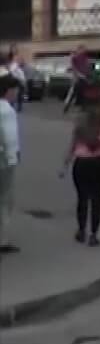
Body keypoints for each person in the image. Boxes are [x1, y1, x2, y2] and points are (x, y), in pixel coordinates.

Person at [61, 104, 100, 246]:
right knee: (97, 200)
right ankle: (94, 235)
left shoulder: (80, 128)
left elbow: (72, 147)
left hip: (81, 163)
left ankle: (81, 230)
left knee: (82, 198)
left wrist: (64, 166)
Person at [0, 73, 21, 255]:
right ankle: (2, 240)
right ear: (9, 91)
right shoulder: (7, 110)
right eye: (15, 90)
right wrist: (13, 158)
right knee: (5, 199)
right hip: (4, 161)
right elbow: (10, 137)